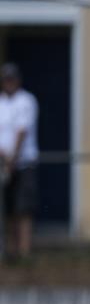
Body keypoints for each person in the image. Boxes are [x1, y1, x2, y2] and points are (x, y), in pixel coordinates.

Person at [0, 63, 39, 260]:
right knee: (7, 209)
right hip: (4, 163)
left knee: (23, 208)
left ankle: (24, 251)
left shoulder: (26, 101)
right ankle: (11, 250)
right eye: (6, 79)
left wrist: (13, 158)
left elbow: (22, 131)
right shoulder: (1, 103)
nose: (9, 82)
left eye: (12, 78)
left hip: (23, 162)